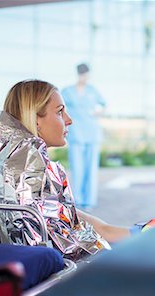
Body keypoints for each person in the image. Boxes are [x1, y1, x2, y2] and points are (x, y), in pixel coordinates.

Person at [0, 79, 110, 260]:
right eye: (60, 112)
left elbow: (67, 218)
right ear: (36, 119)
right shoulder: (29, 172)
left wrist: (124, 232)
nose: (69, 120)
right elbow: (62, 248)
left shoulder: (8, 165)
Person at [61, 63, 106, 211]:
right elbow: (60, 107)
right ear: (78, 74)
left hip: (92, 133)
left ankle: (89, 201)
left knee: (91, 168)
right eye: (83, 74)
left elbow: (103, 104)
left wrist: (96, 113)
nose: (85, 77)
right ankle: (78, 200)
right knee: (77, 168)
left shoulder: (93, 91)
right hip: (75, 134)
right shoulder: (67, 91)